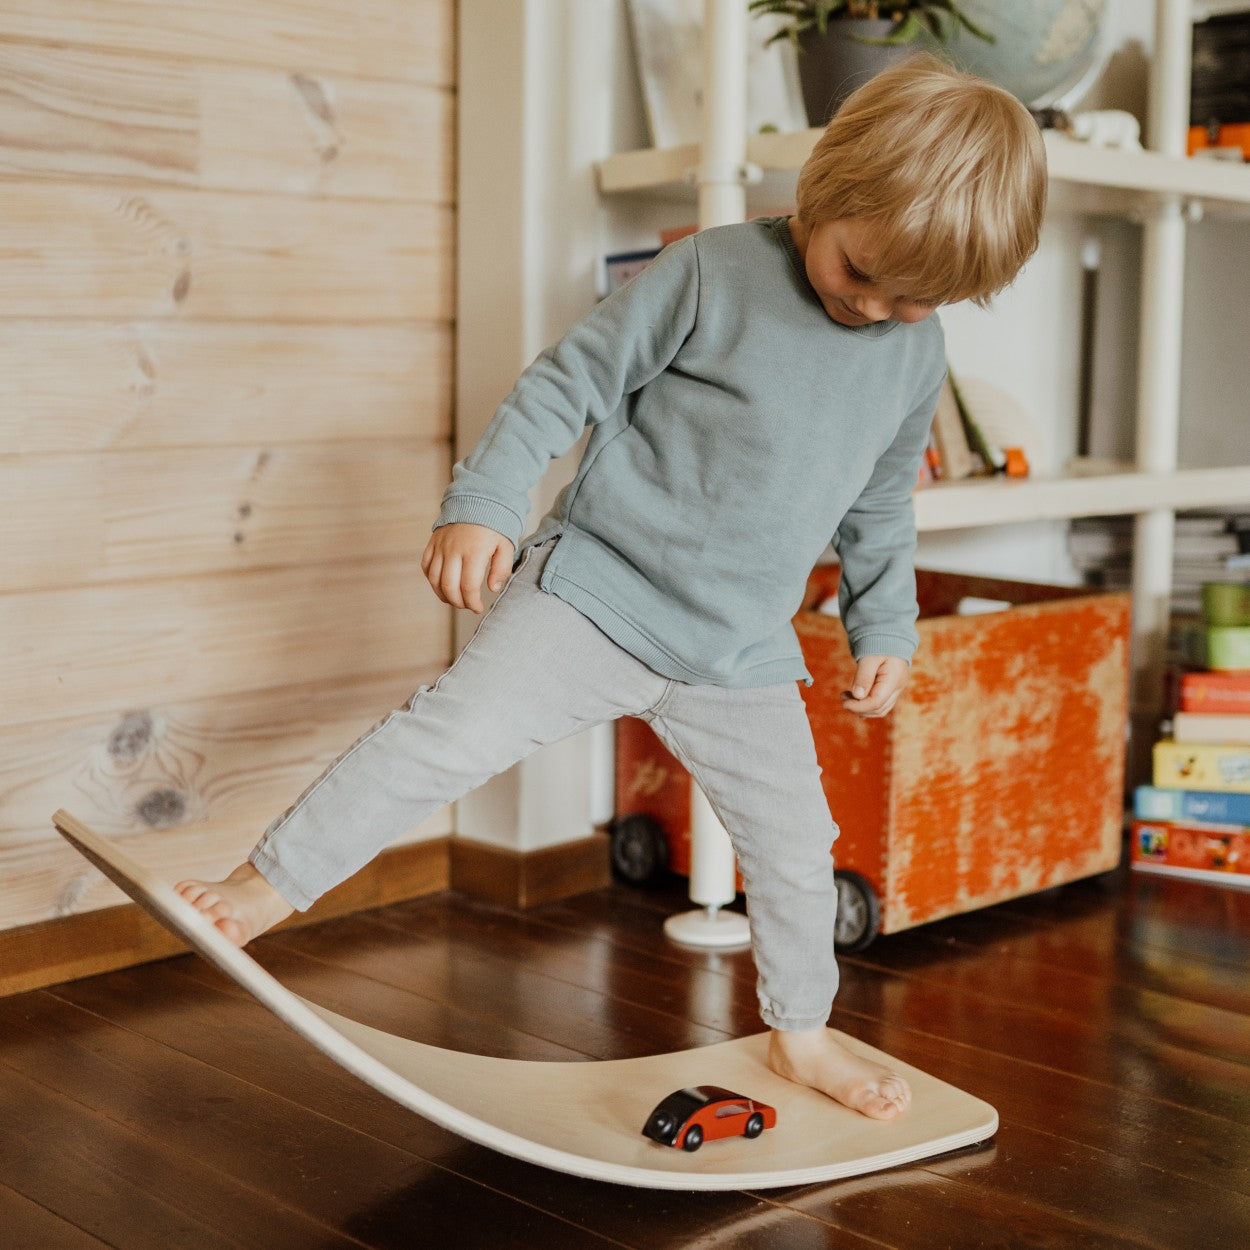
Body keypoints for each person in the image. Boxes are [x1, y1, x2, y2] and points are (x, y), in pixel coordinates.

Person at [176, 54, 1047, 1121]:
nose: (871, 307)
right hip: (593, 592)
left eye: (913, 299)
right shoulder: (709, 273)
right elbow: (564, 382)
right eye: (859, 270)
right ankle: (262, 886)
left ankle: (800, 1031)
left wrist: (884, 625)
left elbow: (877, 503)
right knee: (443, 734)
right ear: (830, 187)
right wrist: (484, 504)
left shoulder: (913, 358)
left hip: (737, 649)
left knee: (795, 849)